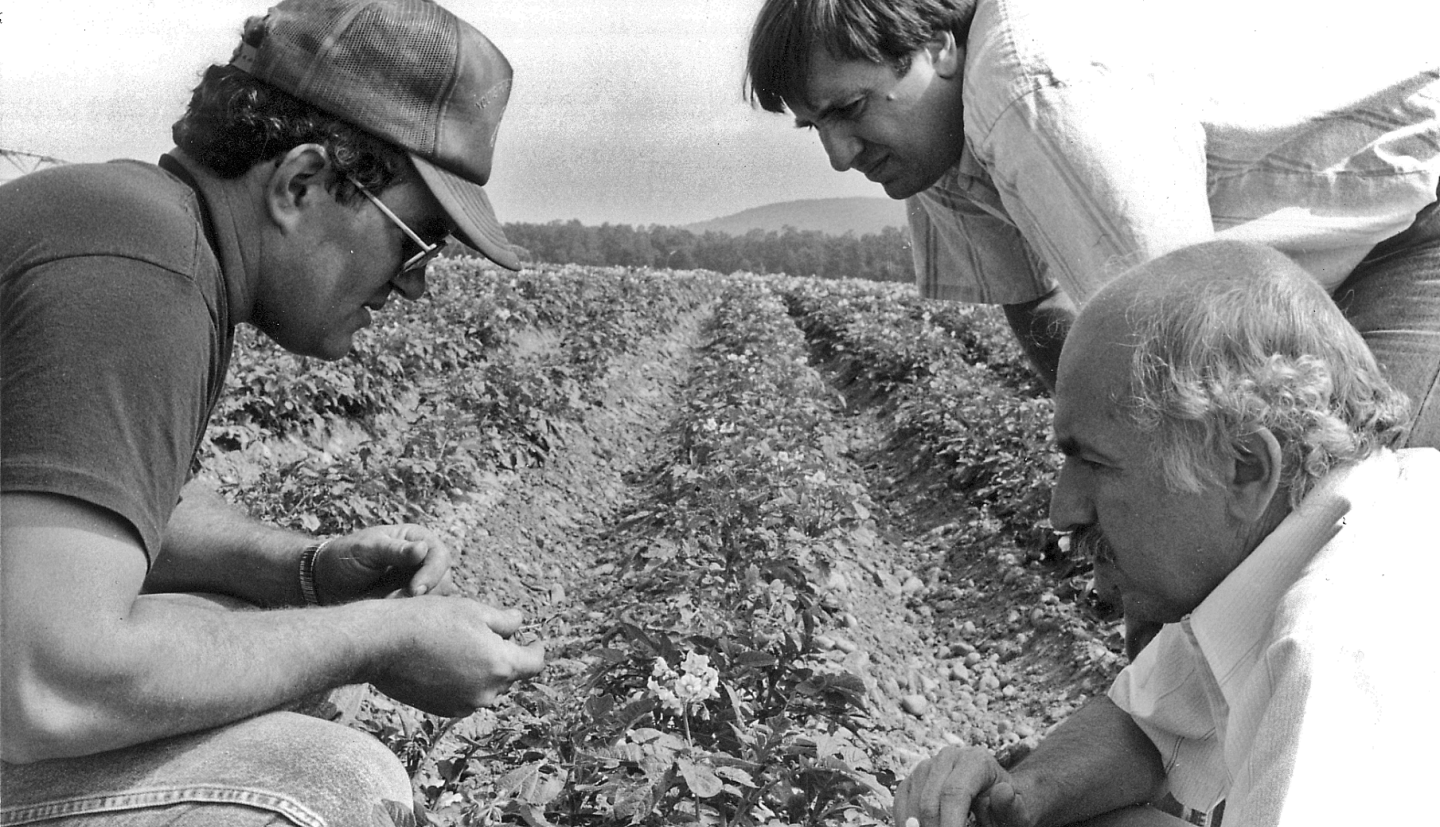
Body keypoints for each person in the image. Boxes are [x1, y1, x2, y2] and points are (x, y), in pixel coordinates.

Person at [0, 0, 545, 823]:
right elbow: (48, 683)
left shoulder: (137, 227)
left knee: (231, 629)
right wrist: (377, 638)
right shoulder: (141, 276)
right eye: (419, 239)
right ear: (301, 182)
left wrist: (305, 569)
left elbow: (107, 509)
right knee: (330, 780)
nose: (417, 283)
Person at [891, 239, 1440, 826]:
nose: (1061, 509)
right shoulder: (1348, 520)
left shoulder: (1335, 647)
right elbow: (1153, 719)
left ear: (1246, 468)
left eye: (1094, 463)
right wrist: (1017, 796)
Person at [743, 0, 1440, 441]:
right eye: (814, 127)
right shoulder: (923, 139)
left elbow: (1202, 369)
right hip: (1301, 264)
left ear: (937, 47)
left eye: (849, 109)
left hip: (1418, 213)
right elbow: (1034, 303)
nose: (839, 156)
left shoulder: (1033, 90)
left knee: (1347, 521)